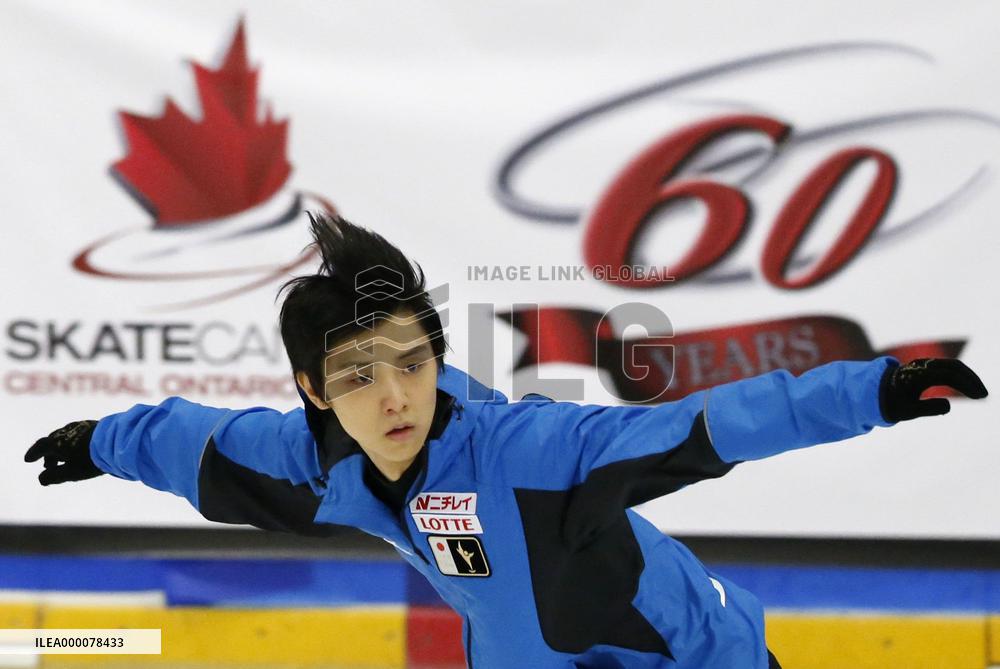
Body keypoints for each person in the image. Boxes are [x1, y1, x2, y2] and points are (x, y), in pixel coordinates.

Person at [25, 213, 989, 669]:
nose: (393, 394)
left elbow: (711, 425)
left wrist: (877, 387)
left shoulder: (534, 450)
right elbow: (196, 441)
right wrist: (97, 438)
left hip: (692, 654)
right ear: (315, 391)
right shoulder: (314, 460)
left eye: (410, 360)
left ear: (438, 356)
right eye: (358, 374)